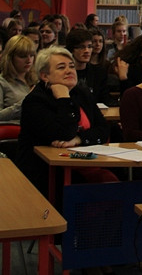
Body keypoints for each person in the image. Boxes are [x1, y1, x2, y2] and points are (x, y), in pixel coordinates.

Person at [16, 47, 112, 196]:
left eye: (71, 66)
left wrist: (79, 138)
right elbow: (64, 133)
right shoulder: (35, 100)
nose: (69, 71)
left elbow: (103, 129)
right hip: (47, 170)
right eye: (61, 67)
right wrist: (64, 99)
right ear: (44, 75)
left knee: (113, 180)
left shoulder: (82, 93)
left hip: (85, 161)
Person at [66, 28, 111, 106]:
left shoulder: (99, 72)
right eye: (81, 47)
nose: (87, 50)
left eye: (89, 46)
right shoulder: (65, 73)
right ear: (72, 50)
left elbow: (105, 99)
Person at [0, 35, 37, 122]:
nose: (29, 60)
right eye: (23, 56)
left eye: (31, 55)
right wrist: (26, 101)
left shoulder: (36, 80)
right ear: (10, 58)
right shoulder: (2, 82)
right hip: (13, 133)